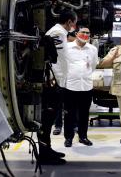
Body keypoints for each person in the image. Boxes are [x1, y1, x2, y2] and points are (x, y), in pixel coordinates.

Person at [38, 9, 77, 165]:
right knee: (47, 120)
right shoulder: (57, 33)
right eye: (74, 23)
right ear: (69, 22)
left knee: (50, 119)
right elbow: (54, 61)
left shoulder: (60, 33)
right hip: (53, 83)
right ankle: (44, 154)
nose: (74, 26)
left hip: (56, 82)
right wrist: (57, 82)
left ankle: (47, 150)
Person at [63, 26, 99, 147]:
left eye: (87, 33)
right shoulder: (67, 47)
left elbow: (93, 65)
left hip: (86, 86)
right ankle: (68, 138)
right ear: (77, 33)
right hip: (70, 86)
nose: (85, 34)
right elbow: (61, 64)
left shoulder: (93, 49)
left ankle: (83, 136)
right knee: (69, 114)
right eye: (83, 32)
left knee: (84, 114)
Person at [53, 31, 77, 136]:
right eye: (72, 39)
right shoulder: (60, 49)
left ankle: (75, 125)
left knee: (73, 106)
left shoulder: (76, 50)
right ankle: (58, 126)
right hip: (60, 81)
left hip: (73, 81)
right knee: (59, 105)